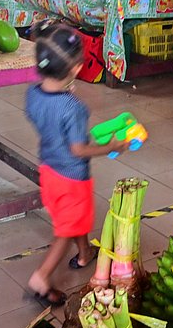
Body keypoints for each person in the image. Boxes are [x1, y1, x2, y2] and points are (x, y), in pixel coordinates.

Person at [24, 23, 128, 306]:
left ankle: (85, 254)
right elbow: (78, 148)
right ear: (76, 69)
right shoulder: (73, 108)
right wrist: (113, 146)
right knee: (65, 230)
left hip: (48, 171)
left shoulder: (33, 94)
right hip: (72, 177)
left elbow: (44, 122)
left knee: (72, 217)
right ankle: (42, 277)